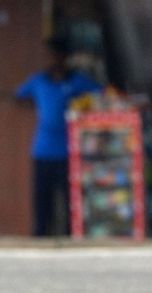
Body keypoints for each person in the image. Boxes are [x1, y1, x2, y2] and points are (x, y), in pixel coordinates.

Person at [15, 35, 102, 235]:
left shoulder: (77, 82)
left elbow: (101, 94)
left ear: (64, 57)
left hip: (68, 151)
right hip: (42, 150)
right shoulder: (39, 81)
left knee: (70, 199)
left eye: (56, 55)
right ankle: (41, 237)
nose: (52, 60)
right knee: (42, 200)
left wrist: (82, 110)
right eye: (49, 56)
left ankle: (70, 237)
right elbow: (19, 96)